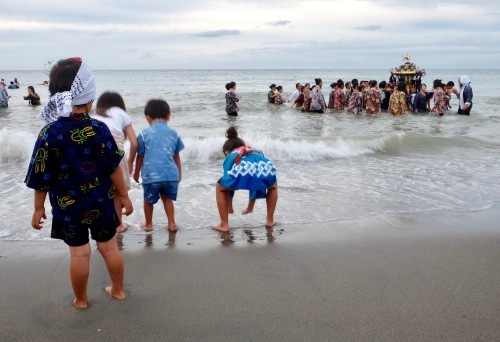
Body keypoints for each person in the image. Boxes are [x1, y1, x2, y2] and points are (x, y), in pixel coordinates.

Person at [26, 57, 133, 309]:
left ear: (54, 94)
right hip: (101, 201)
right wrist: (125, 195)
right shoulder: (99, 129)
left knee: (79, 253)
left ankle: (81, 300)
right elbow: (113, 166)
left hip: (67, 206)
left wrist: (38, 208)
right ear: (89, 97)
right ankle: (118, 290)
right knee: (109, 247)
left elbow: (41, 176)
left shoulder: (49, 133)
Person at [213, 126, 278, 232]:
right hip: (265, 167)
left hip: (243, 170)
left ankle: (224, 224)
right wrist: (250, 207)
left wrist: (230, 207)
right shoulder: (254, 151)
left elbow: (228, 183)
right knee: (273, 185)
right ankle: (270, 221)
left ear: (226, 151)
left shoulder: (232, 155)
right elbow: (255, 183)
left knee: (220, 187)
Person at [133, 99, 184, 232]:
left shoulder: (144, 134)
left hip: (152, 176)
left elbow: (140, 156)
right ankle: (172, 223)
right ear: (169, 116)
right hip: (170, 174)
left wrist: (136, 172)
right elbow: (176, 155)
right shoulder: (173, 133)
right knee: (167, 199)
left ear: (147, 117)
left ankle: (149, 224)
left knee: (148, 201)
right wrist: (179, 172)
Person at [92, 91, 138, 233]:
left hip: (93, 153)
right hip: (114, 152)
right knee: (117, 192)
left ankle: (99, 223)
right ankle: (118, 225)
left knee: (100, 190)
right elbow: (134, 143)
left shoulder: (93, 113)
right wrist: (130, 162)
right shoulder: (120, 113)